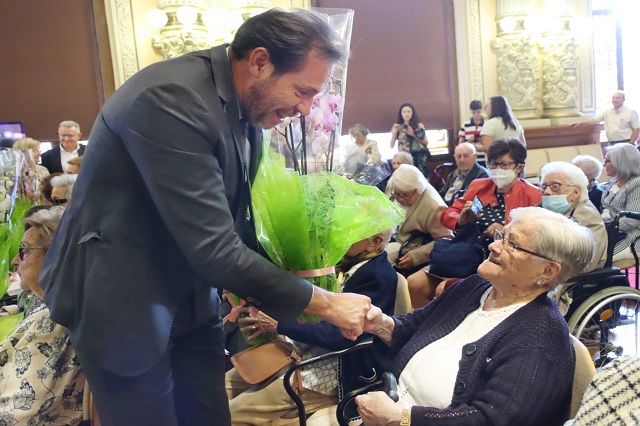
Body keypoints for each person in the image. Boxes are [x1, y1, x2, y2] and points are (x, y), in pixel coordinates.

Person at [39, 9, 371, 426]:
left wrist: (271, 285)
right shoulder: (171, 98)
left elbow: (231, 218)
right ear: (260, 62)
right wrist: (327, 304)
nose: (305, 109)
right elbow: (215, 249)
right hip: (123, 299)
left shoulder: (245, 107)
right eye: (302, 91)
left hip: (190, 296)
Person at [356, 207, 594, 426]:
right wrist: (381, 323)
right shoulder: (476, 286)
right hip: (390, 406)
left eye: (512, 244)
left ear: (547, 271)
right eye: (501, 236)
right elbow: (417, 325)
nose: (494, 246)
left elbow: (491, 419)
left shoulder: (541, 339)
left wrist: (401, 418)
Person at [226, 231, 398, 425]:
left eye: (354, 230)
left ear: (374, 241)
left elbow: (341, 335)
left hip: (334, 364)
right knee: (221, 389)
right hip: (302, 346)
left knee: (235, 413)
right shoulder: (343, 261)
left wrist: (280, 324)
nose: (342, 232)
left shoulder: (379, 276)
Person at [0, 206, 85, 424]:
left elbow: (14, 415)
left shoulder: (55, 320)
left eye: (25, 251)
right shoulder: (55, 306)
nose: (15, 261)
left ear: (55, 258)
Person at [441, 138, 541, 252]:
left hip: (506, 253)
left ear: (519, 167)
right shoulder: (479, 185)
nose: (497, 169)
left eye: (504, 164)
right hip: (468, 248)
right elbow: (448, 214)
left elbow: (537, 235)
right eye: (493, 163)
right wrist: (461, 222)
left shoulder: (533, 194)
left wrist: (506, 233)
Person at [539, 161, 607, 272]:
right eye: (543, 186)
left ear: (575, 192)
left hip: (567, 276)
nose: (547, 192)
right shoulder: (545, 210)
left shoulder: (587, 216)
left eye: (555, 186)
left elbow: (585, 263)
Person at [386, 164, 453, 274]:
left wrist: (417, 256)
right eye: (397, 195)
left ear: (419, 190)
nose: (400, 199)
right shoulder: (395, 185)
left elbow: (446, 239)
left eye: (406, 196)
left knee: (380, 259)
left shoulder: (434, 207)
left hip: (410, 245)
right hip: (391, 234)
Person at [600, 143, 640, 262]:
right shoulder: (613, 183)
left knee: (600, 261)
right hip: (611, 233)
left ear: (620, 163)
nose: (604, 164)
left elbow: (632, 220)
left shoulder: (637, 184)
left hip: (632, 237)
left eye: (607, 161)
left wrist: (603, 228)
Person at [570, 90, 640, 145]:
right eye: (613, 98)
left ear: (623, 100)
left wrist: (631, 143)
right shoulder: (607, 112)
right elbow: (594, 120)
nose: (615, 100)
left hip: (626, 142)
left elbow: (636, 129)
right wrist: (581, 123)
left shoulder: (630, 112)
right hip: (611, 143)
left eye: (617, 98)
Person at [390, 103, 431, 178]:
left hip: (417, 157)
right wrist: (394, 133)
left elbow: (426, 142)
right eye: (404, 112)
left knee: (419, 177)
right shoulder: (397, 126)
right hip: (403, 158)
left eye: (409, 112)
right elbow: (391, 145)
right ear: (401, 114)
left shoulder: (419, 125)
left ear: (412, 113)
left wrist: (413, 134)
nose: (407, 114)